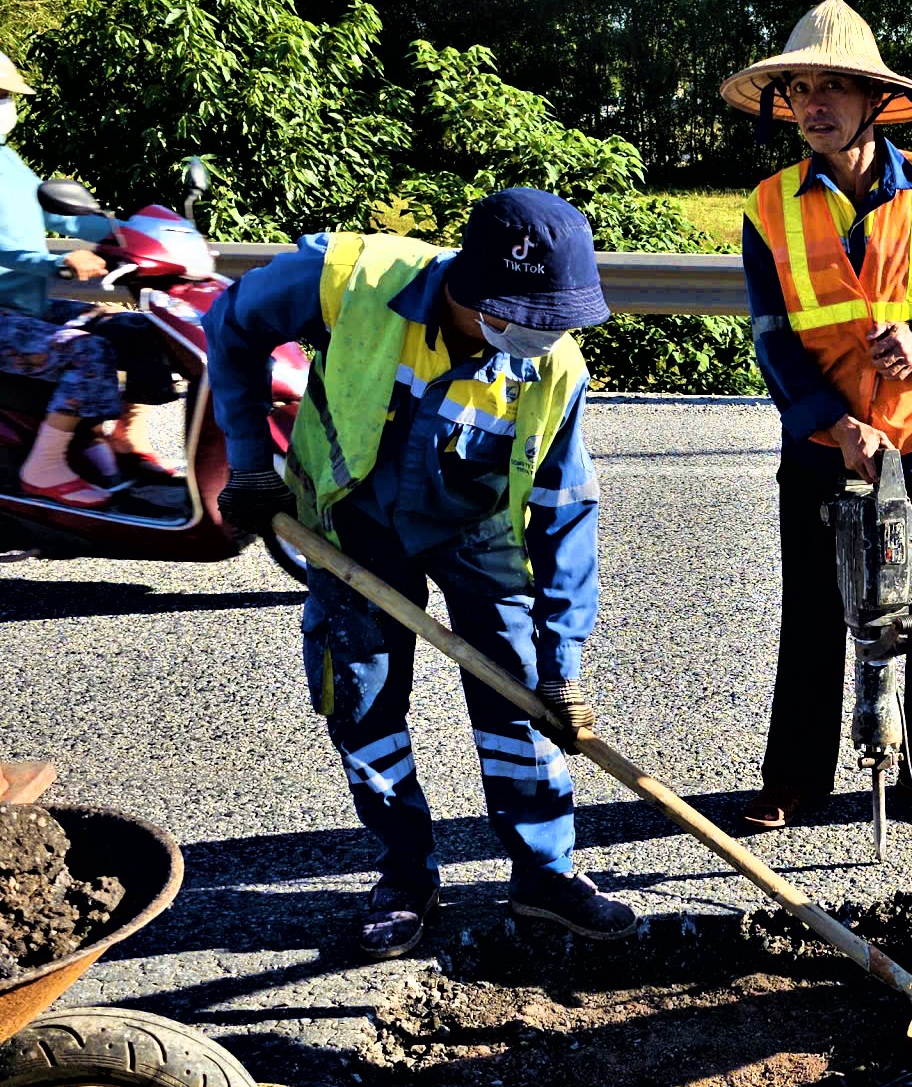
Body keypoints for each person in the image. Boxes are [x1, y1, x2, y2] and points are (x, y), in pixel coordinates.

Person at [208, 189, 639, 958]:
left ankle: (544, 874)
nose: (541, 338)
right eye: (527, 319)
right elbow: (230, 324)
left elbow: (566, 509)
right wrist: (248, 461)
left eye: (556, 323)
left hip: (478, 530)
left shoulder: (552, 366)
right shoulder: (350, 277)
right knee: (363, 700)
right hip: (354, 526)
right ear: (470, 290)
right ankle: (405, 873)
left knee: (521, 699)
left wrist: (562, 667)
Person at [723, 0, 912, 832]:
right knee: (812, 606)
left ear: (875, 101)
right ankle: (794, 776)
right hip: (822, 439)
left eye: (835, 87)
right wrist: (831, 423)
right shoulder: (767, 206)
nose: (814, 103)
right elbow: (773, 338)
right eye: (801, 88)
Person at [0, 37, 178, 507]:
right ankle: (46, 466)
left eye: (2, 95)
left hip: (25, 307)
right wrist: (52, 262)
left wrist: (128, 231)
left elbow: (59, 216)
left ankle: (124, 437)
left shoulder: (2, 157)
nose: (1, 105)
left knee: (144, 329)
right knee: (85, 353)